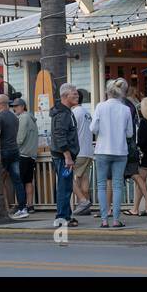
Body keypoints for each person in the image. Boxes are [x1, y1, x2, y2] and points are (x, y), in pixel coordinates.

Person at [91, 80, 135, 228]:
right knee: (117, 186)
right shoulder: (125, 109)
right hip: (120, 150)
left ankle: (104, 219)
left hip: (103, 150)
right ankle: (116, 219)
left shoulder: (100, 107)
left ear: (107, 92)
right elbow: (129, 133)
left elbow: (93, 128)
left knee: (101, 185)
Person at [50, 83, 80, 227]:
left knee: (66, 186)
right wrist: (67, 156)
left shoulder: (66, 112)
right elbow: (60, 136)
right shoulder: (63, 114)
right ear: (65, 96)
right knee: (64, 187)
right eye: (74, 94)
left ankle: (66, 216)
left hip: (63, 156)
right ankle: (61, 217)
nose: (77, 95)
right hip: (63, 157)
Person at [0, 93, 27, 219]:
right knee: (17, 180)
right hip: (15, 150)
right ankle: (22, 207)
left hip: (4, 151)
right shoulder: (15, 117)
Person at [72, 90, 94, 216]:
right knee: (84, 178)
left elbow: (72, 132)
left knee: (68, 176)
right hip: (89, 151)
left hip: (78, 151)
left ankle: (83, 202)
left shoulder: (74, 113)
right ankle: (85, 206)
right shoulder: (87, 113)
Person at [13, 98, 38, 209]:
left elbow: (20, 138)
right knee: (28, 181)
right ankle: (30, 205)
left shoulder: (23, 118)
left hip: (22, 155)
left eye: (16, 106)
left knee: (21, 182)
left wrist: (14, 147)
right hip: (32, 155)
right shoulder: (32, 119)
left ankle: (22, 206)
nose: (14, 108)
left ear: (23, 106)